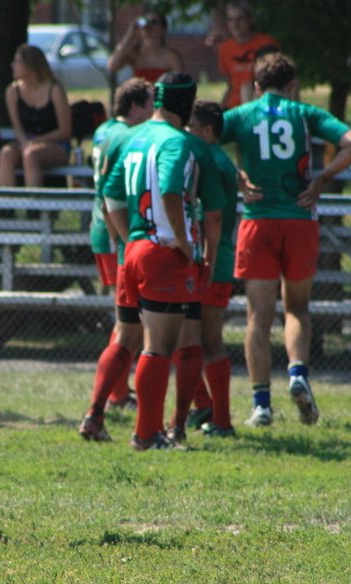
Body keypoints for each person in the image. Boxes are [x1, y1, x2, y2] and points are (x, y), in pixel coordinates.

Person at [217, 52, 351, 426]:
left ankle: (261, 405)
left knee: (258, 316)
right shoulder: (304, 114)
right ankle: (298, 374)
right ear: (293, 85)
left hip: (258, 221)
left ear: (256, 86)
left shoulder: (242, 113)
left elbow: (197, 138)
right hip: (299, 219)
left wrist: (236, 176)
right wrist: (321, 179)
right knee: (296, 308)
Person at [101, 71, 217, 450]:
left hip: (133, 249)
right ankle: (147, 432)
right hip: (161, 252)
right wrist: (182, 243)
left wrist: (126, 237)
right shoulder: (176, 141)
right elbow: (169, 192)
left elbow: (111, 195)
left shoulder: (134, 136)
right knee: (159, 347)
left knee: (133, 338)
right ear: (186, 103)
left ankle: (122, 422)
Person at [78, 77, 154, 441]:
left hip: (103, 227)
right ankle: (117, 394)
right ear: (137, 106)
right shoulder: (131, 137)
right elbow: (116, 192)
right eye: (150, 102)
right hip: (120, 233)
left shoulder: (106, 130)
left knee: (126, 321)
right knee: (130, 325)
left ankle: (116, 394)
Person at [170, 100, 241, 439]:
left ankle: (219, 419)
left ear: (208, 131)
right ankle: (206, 408)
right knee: (189, 340)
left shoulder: (211, 160)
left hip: (213, 260)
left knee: (204, 342)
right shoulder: (217, 159)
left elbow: (211, 216)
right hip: (213, 257)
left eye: (192, 129)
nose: (187, 135)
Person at [0, 44, 72, 188]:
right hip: (26, 144)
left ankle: (33, 207)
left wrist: (36, 141)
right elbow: (18, 129)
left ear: (31, 65)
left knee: (30, 155)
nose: (12, 65)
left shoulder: (54, 89)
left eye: (18, 61)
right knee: (6, 153)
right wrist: (25, 142)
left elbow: (65, 131)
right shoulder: (12, 91)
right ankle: (5, 208)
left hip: (56, 145)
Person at [215, 1, 280, 109]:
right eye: (231, 20)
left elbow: (278, 77)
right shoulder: (224, 49)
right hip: (234, 106)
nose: (235, 25)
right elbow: (230, 84)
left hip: (260, 103)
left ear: (250, 20)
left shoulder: (266, 43)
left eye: (240, 19)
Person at [107, 11, 183, 83]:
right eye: (146, 21)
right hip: (141, 95)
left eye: (154, 22)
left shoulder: (171, 56)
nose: (149, 26)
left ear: (163, 29)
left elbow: (179, 82)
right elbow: (112, 66)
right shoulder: (135, 53)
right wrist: (129, 34)